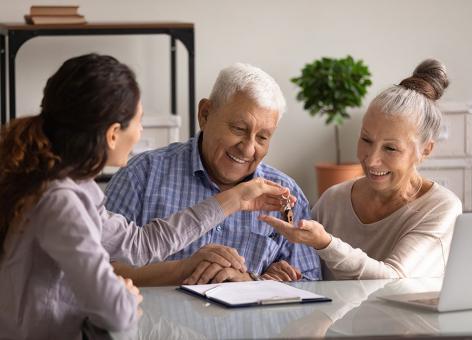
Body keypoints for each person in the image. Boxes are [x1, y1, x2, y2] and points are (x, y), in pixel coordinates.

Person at [0, 54, 294, 339]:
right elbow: (114, 310)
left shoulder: (74, 190)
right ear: (113, 133)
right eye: (138, 122)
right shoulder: (62, 202)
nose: (141, 132)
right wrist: (124, 295)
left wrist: (235, 200)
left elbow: (140, 243)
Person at [105, 62, 321, 284]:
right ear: (205, 114)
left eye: (262, 138)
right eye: (238, 129)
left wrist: (253, 283)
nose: (248, 149)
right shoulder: (142, 175)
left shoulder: (286, 195)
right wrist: (181, 271)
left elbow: (312, 287)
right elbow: (95, 273)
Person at [260, 59, 463, 280]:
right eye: (366, 139)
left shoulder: (441, 208)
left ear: (425, 150)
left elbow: (393, 280)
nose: (372, 160)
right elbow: (308, 273)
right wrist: (282, 271)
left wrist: (326, 243)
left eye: (390, 148)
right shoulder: (333, 201)